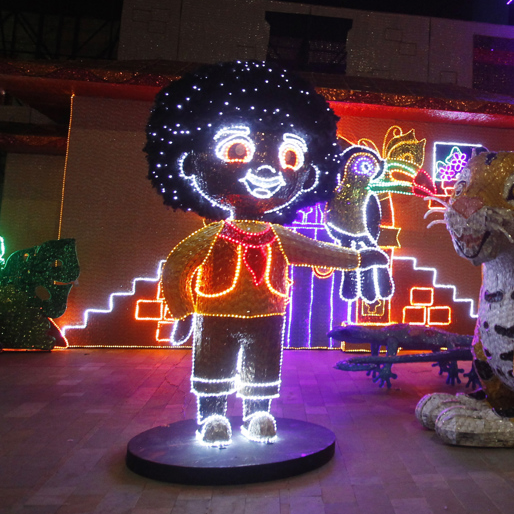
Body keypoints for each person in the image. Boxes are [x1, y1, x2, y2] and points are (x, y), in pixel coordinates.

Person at [145, 61, 387, 446]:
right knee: (213, 363)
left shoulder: (279, 236)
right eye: (238, 149)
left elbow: (318, 251)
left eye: (289, 156)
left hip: (269, 314)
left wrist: (361, 259)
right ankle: (212, 417)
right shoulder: (210, 236)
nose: (267, 169)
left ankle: (259, 413)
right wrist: (180, 311)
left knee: (262, 365)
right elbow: (176, 268)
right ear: (193, 163)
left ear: (305, 175)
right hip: (214, 313)